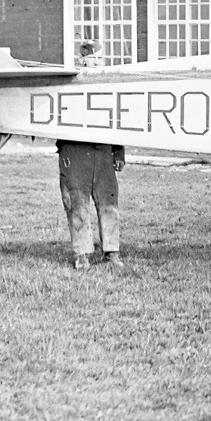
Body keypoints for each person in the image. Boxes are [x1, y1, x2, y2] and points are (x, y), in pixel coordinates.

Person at [59, 39, 125, 270]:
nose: (96, 64)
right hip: (75, 152)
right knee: (77, 203)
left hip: (103, 151)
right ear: (81, 60)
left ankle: (112, 253)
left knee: (109, 202)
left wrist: (119, 149)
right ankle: (82, 255)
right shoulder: (66, 84)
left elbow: (118, 118)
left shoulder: (109, 84)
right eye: (91, 59)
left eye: (99, 59)